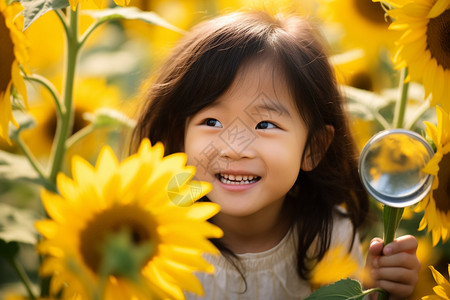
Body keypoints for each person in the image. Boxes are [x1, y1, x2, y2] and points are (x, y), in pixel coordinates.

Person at [131, 10, 420, 300]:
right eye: (212, 122)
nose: (235, 149)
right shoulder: (158, 235)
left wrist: (380, 289)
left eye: (265, 124)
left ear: (313, 148)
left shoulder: (328, 237)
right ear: (181, 137)